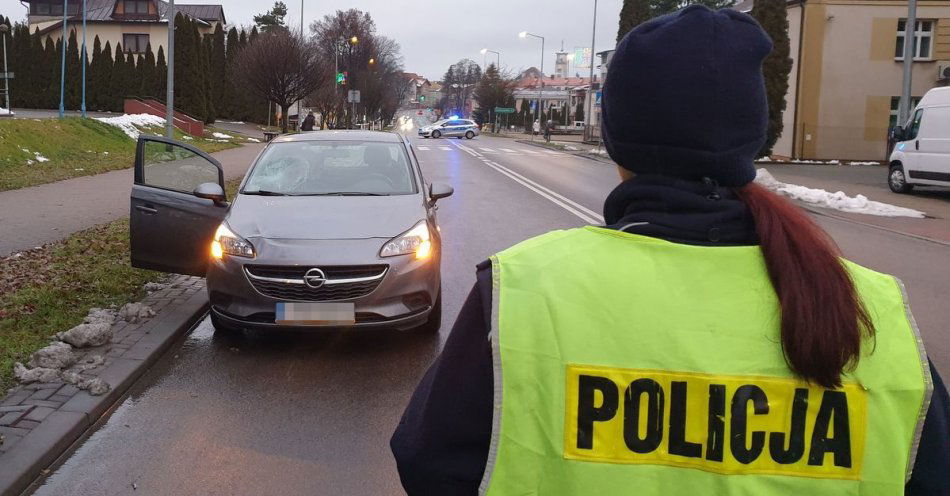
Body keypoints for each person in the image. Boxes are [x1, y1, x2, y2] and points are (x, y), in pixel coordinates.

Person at [390, 6, 949, 495]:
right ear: (751, 137)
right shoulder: (872, 317)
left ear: (618, 139)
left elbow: (425, 459)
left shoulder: (523, 293)